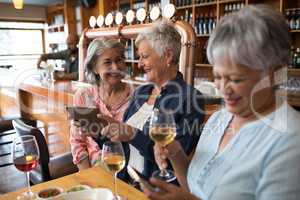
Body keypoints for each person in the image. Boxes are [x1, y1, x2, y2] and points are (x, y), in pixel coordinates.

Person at [144, 5, 300, 200]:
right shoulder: (221, 117)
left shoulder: (290, 141)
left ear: (274, 74)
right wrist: (174, 150)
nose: (223, 89)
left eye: (235, 79)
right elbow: (194, 186)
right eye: (217, 76)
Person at [99, 20, 205, 180]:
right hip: (123, 181)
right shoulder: (141, 92)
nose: (139, 64)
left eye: (144, 57)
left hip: (155, 189)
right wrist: (98, 132)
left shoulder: (190, 99)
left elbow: (174, 160)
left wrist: (132, 134)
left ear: (168, 55)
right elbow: (121, 143)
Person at [69, 37, 132, 174]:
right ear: (94, 68)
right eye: (107, 62)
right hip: (93, 169)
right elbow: (77, 142)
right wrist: (89, 176)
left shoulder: (136, 97)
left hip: (127, 170)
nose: (116, 67)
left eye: (119, 60)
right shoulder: (84, 96)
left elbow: (137, 142)